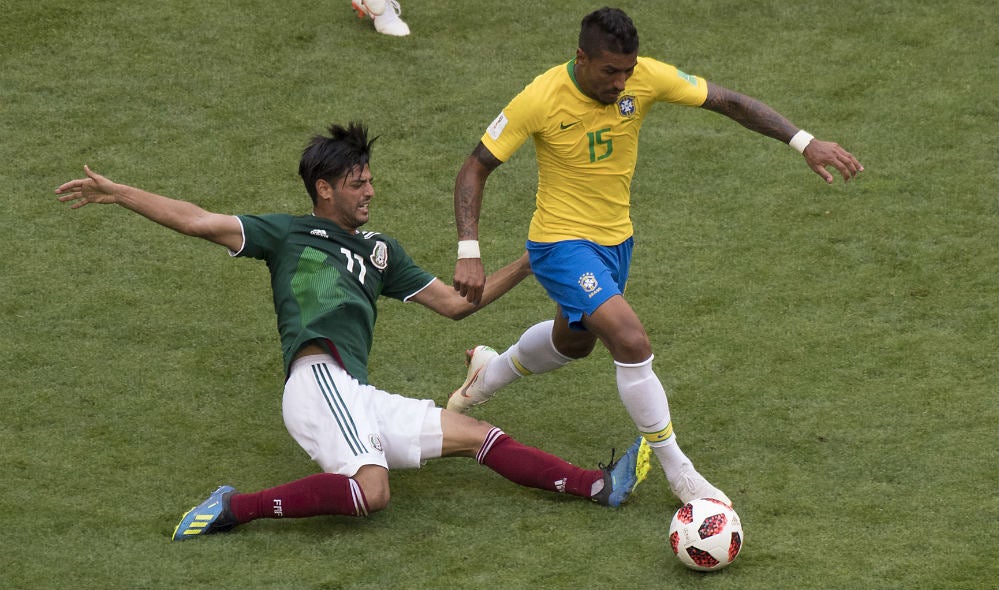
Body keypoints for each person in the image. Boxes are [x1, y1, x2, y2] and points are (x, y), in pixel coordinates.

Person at [55, 122, 652, 541]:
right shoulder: (285, 234)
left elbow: (456, 304)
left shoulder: (381, 251)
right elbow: (197, 221)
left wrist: (536, 256)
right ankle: (233, 508)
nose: (370, 191)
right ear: (325, 188)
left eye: (369, 179)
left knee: (475, 433)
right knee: (373, 492)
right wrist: (120, 193)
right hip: (316, 382)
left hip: (352, 391)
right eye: (358, 182)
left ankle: (597, 487)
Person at [447, 7, 864, 507]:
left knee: (573, 343)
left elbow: (727, 101)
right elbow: (474, 167)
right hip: (559, 244)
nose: (622, 82)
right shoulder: (539, 98)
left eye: (628, 70)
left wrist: (804, 142)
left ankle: (487, 373)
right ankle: (681, 473)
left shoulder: (644, 78)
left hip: (615, 243)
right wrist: (469, 250)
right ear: (581, 58)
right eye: (610, 72)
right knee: (630, 340)